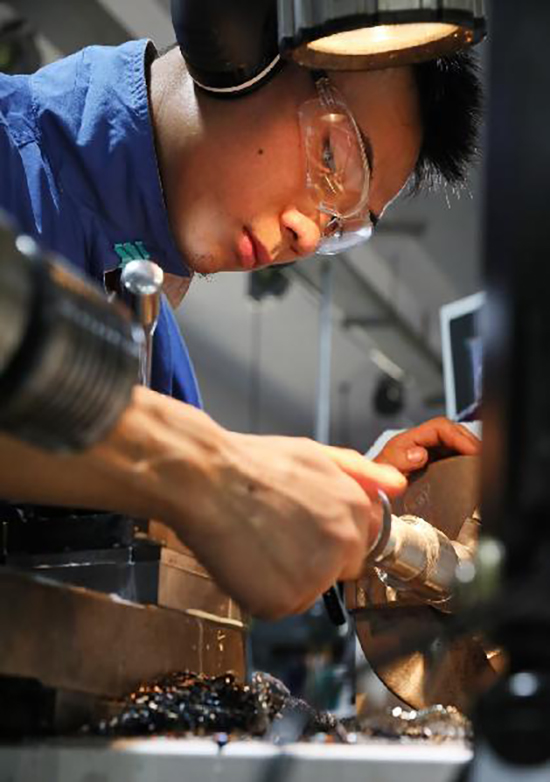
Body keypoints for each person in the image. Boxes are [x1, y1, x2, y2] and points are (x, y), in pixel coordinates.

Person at [0, 37, 482, 619]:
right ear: (236, 38)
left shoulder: (162, 370)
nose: (309, 237)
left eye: (339, 226)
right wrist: (213, 473)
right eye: (333, 158)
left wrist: (334, 512)